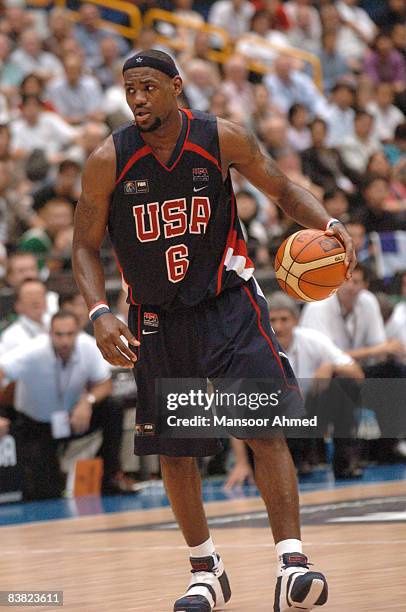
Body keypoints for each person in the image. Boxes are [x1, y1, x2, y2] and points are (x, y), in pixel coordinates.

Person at [72, 49, 356, 612]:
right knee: (176, 452)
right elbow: (84, 243)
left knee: (263, 427)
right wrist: (98, 313)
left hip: (228, 301)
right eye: (129, 90)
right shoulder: (109, 159)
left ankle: (292, 562)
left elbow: (281, 188)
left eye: (148, 88)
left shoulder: (221, 138)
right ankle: (206, 570)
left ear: (177, 88)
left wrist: (326, 221)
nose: (137, 99)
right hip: (156, 317)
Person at [0, 310, 120, 500]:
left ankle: (110, 478)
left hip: (73, 419)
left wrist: (87, 401)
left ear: (78, 332)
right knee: (46, 493)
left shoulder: (87, 346)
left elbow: (105, 383)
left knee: (112, 408)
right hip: (36, 425)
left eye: (70, 334)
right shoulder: (32, 351)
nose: (65, 341)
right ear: (50, 333)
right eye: (59, 335)